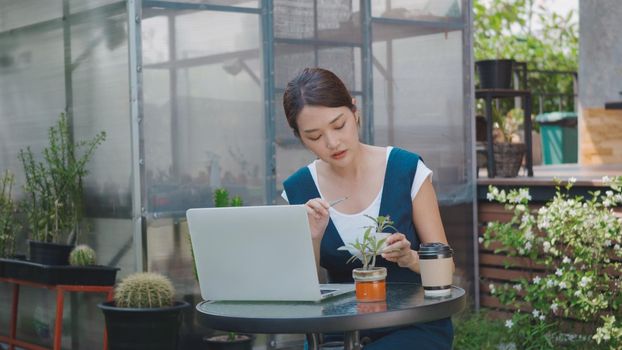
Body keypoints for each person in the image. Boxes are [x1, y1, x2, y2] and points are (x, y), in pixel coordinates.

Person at [281, 67, 454, 349]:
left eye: (339, 125)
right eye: (314, 136)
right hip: (336, 332)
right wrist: (313, 237)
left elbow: (447, 271)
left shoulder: (405, 169)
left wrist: (409, 257)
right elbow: (300, 293)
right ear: (299, 136)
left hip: (412, 326)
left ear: (354, 111)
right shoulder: (299, 190)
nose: (332, 142)